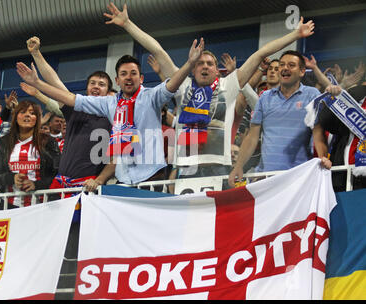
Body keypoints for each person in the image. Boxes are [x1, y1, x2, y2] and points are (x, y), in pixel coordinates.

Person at [103, 3, 316, 188]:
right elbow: (158, 51)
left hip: (220, 169)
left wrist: (296, 35)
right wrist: (127, 24)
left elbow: (260, 53)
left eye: (210, 64)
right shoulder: (182, 85)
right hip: (185, 170)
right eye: (200, 63)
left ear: (217, 70)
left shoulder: (229, 85)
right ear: (193, 69)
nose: (204, 66)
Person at [17, 36, 205, 185]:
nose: (128, 78)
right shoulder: (109, 104)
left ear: (141, 78)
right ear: (117, 80)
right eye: (123, 74)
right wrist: (37, 83)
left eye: (133, 74)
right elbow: (69, 97)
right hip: (122, 179)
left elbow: (172, 85)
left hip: (151, 176)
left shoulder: (151, 96)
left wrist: (189, 64)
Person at [228, 51, 332, 188]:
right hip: (266, 178)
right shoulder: (264, 97)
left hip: (298, 177)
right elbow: (252, 137)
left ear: (302, 72)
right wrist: (239, 165)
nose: (285, 68)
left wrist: (323, 158)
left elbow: (318, 134)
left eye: (291, 65)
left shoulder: (311, 94)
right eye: (282, 64)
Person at [25, 36, 115, 192]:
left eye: (101, 85)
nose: (96, 87)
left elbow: (118, 157)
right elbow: (55, 82)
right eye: (92, 83)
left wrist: (99, 181)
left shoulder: (113, 118)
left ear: (108, 92)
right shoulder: (75, 109)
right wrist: (36, 53)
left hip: (88, 188)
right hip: (60, 186)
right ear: (86, 88)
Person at [0, 100, 60, 207]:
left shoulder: (49, 141)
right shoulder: (3, 142)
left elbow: (58, 173)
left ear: (37, 119)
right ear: (15, 117)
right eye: (23, 112)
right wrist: (12, 178)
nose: (27, 115)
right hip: (9, 206)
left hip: (43, 206)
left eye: (32, 113)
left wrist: (36, 184)